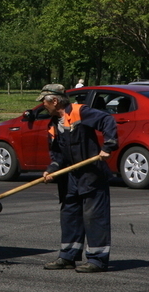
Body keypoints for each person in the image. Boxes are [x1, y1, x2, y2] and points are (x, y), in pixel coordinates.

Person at [38, 83, 118, 273]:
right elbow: (57, 155)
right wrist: (52, 170)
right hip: (70, 177)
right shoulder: (53, 125)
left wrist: (108, 146)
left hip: (92, 174)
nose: (43, 105)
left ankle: (97, 259)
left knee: (93, 217)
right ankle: (68, 256)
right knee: (69, 215)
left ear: (55, 101)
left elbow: (107, 120)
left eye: (44, 102)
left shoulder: (80, 112)